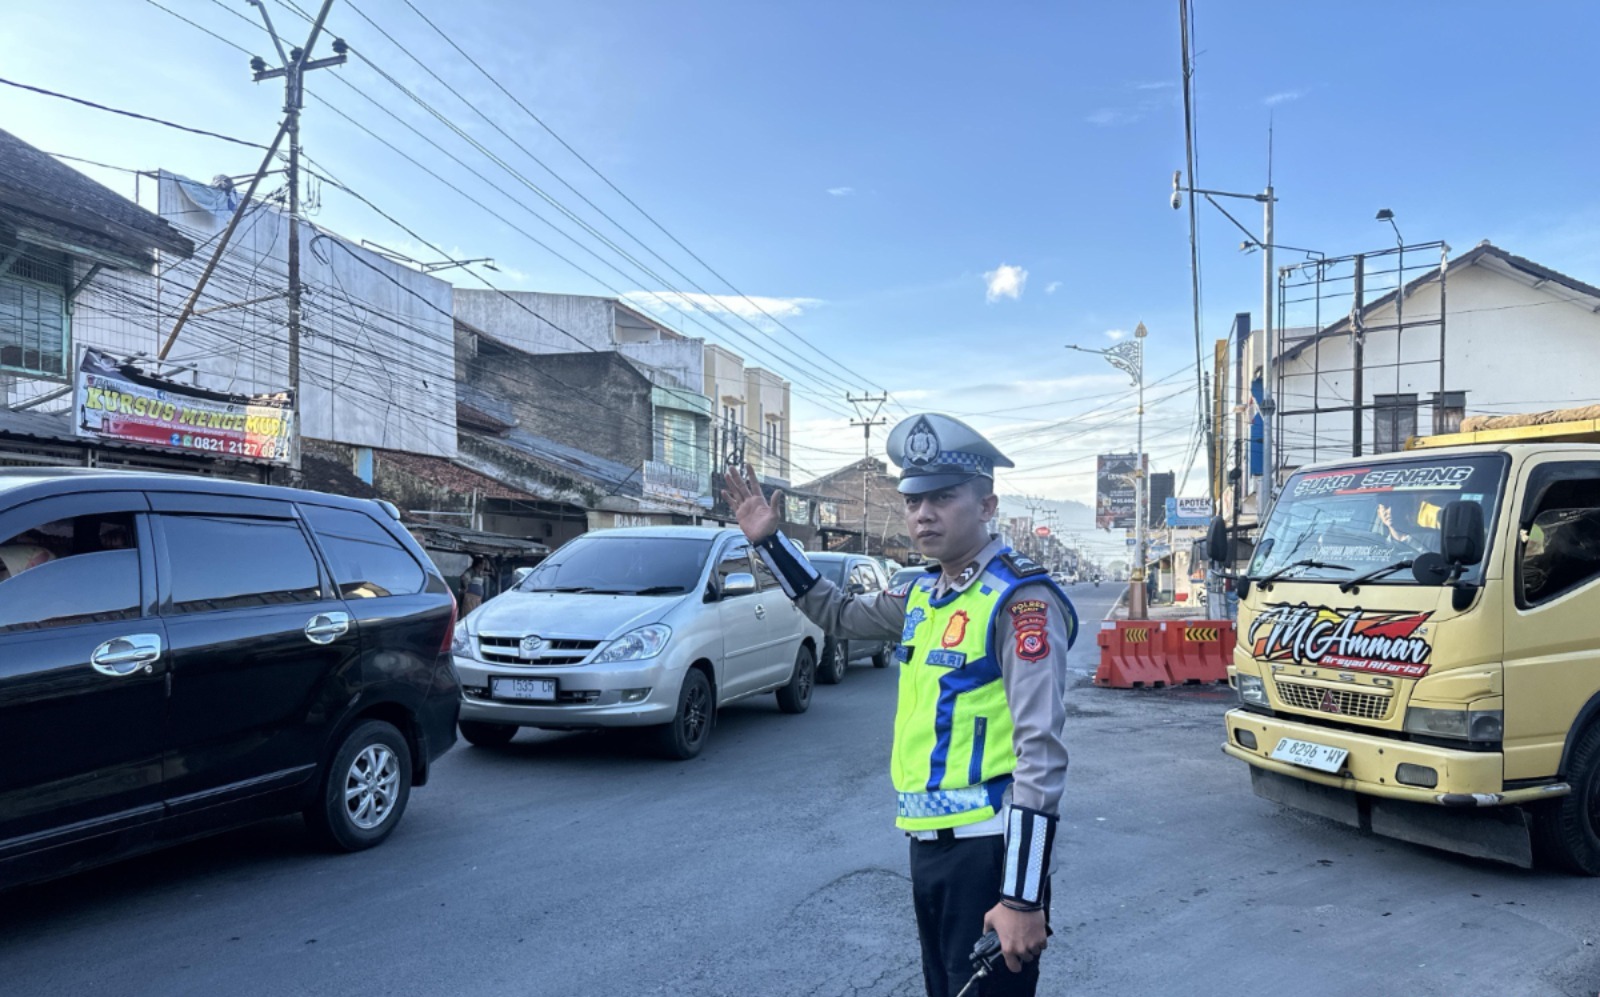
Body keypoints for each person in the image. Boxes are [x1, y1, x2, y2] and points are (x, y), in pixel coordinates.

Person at [723, 413, 1077, 997]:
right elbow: (835, 611)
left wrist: (1021, 894)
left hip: (987, 852)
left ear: (988, 505)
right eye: (913, 500)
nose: (923, 514)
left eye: (943, 497)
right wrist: (768, 542)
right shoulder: (920, 593)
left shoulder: (1020, 601)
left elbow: (1040, 751)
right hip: (927, 844)